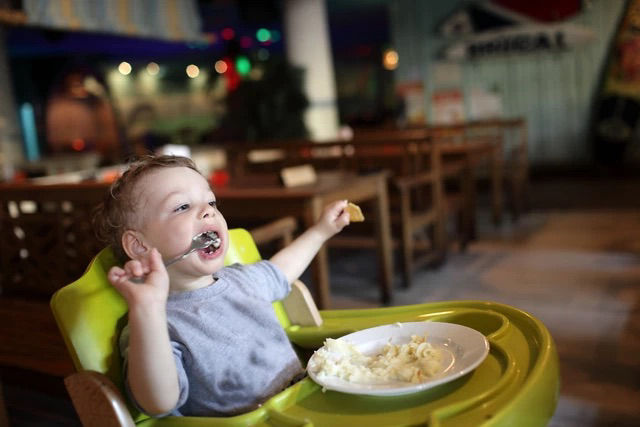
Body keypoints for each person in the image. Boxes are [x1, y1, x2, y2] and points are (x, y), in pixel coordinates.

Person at [93, 155, 351, 417]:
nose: (208, 211)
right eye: (182, 206)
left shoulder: (241, 280)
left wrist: (321, 231)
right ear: (140, 246)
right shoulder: (155, 327)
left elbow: (282, 271)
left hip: (308, 403)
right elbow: (158, 402)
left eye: (211, 201)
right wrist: (147, 309)